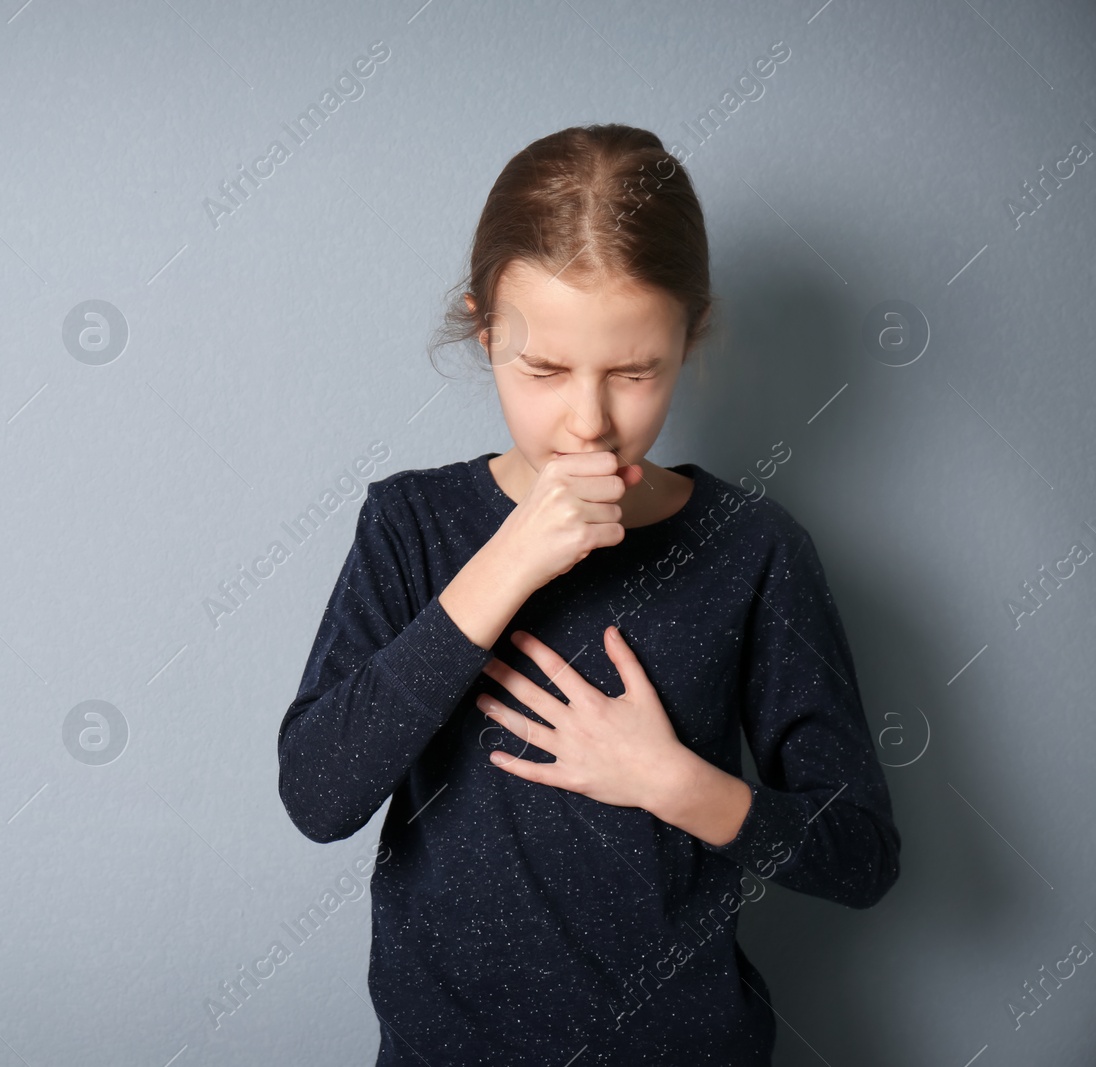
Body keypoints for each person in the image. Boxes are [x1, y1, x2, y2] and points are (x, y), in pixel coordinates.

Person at [275, 124, 901, 1065]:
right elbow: (318, 792)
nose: (588, 419)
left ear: (688, 338)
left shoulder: (756, 550)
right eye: (544, 369)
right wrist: (507, 563)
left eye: (634, 372)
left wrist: (675, 783)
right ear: (486, 332)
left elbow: (860, 855)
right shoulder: (409, 525)